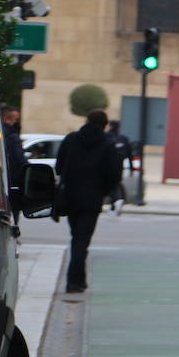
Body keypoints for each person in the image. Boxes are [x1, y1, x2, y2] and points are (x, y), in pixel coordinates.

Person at [55, 110, 123, 294]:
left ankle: (80, 279)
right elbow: (115, 175)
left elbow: (59, 166)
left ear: (86, 120)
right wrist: (104, 191)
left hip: (70, 196)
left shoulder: (71, 140)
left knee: (77, 237)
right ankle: (73, 282)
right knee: (82, 239)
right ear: (105, 125)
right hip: (92, 199)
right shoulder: (108, 146)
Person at [0, 105, 27, 194]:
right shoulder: (12, 136)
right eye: (15, 119)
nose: (15, 122)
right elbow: (20, 159)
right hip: (11, 180)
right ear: (7, 118)